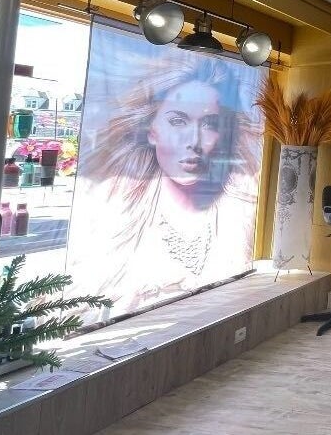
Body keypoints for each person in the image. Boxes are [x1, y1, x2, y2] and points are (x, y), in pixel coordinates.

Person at [67, 55, 262, 316]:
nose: (194, 140)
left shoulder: (242, 206)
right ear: (152, 129)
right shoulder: (109, 209)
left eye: (209, 125)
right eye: (178, 121)